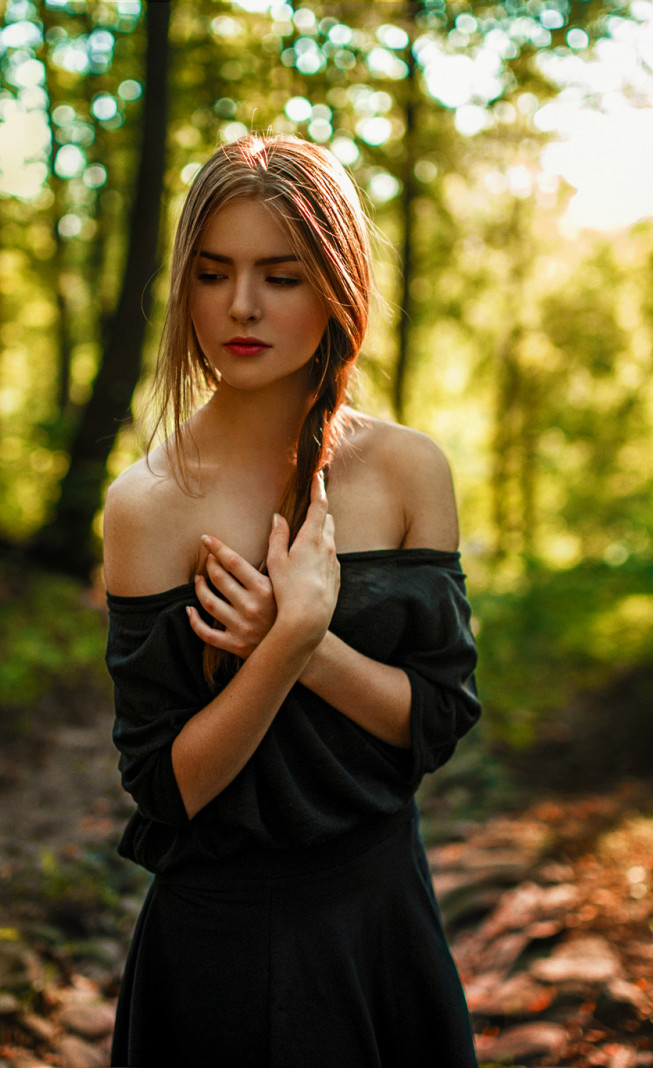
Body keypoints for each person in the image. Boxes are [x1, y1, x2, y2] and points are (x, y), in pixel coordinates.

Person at [100, 133, 480, 1067]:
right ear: (184, 286)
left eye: (281, 275)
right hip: (219, 944)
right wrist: (283, 645)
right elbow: (167, 786)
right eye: (214, 272)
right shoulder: (147, 506)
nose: (240, 306)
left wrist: (309, 641)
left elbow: (435, 719)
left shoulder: (405, 471)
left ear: (336, 287)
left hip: (381, 919)